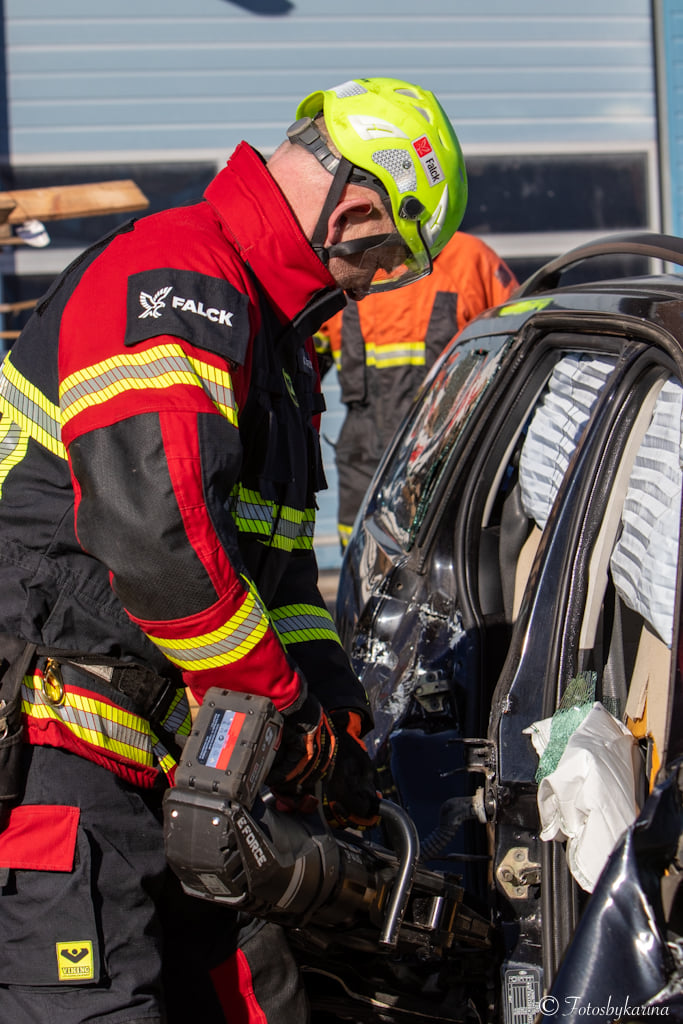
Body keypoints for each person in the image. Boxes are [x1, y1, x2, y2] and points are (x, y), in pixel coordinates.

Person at [0, 77, 468, 1024]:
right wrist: (283, 709)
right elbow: (160, 543)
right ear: (354, 212)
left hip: (177, 761)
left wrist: (335, 714)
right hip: (60, 747)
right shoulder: (172, 282)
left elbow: (281, 569)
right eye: (382, 257)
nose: (370, 283)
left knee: (262, 998)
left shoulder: (274, 344)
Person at [317, 231, 518, 547]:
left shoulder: (469, 259)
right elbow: (298, 363)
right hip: (363, 461)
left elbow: (520, 351)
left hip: (448, 457)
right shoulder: (347, 263)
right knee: (360, 556)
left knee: (443, 556)